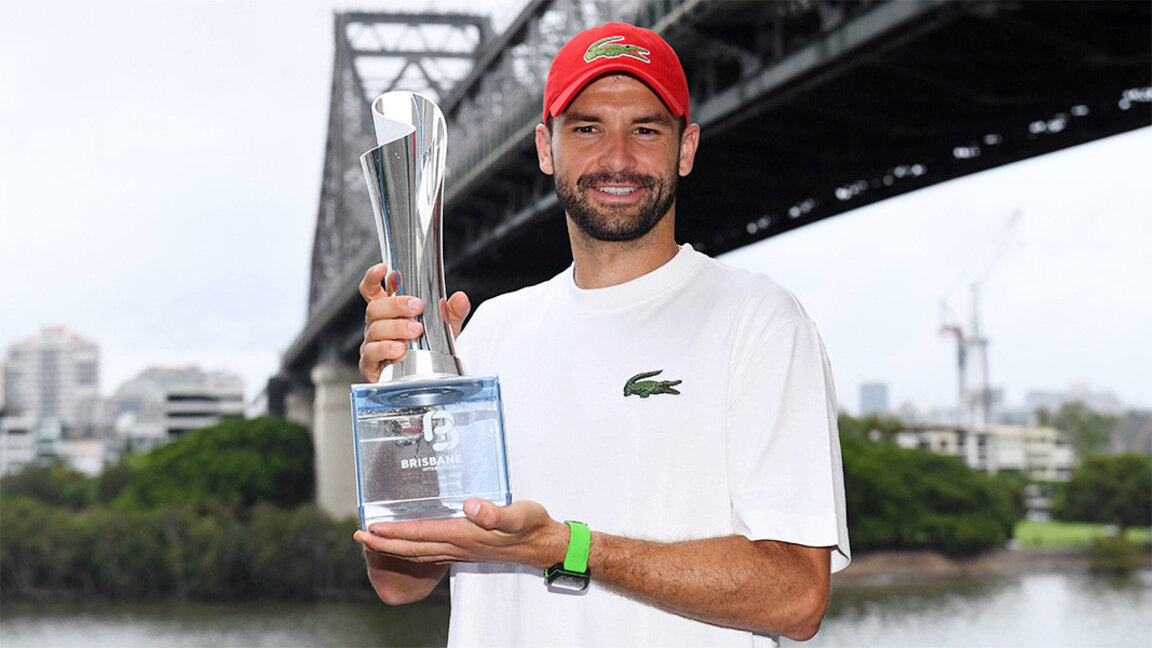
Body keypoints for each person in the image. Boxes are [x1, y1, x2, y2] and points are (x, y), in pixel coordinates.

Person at [354, 21, 850, 647]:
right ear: (544, 146)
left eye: (646, 129)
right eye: (586, 128)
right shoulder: (487, 332)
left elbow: (797, 596)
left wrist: (565, 547)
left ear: (686, 147)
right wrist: (395, 405)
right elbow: (400, 581)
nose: (617, 158)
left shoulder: (760, 320)